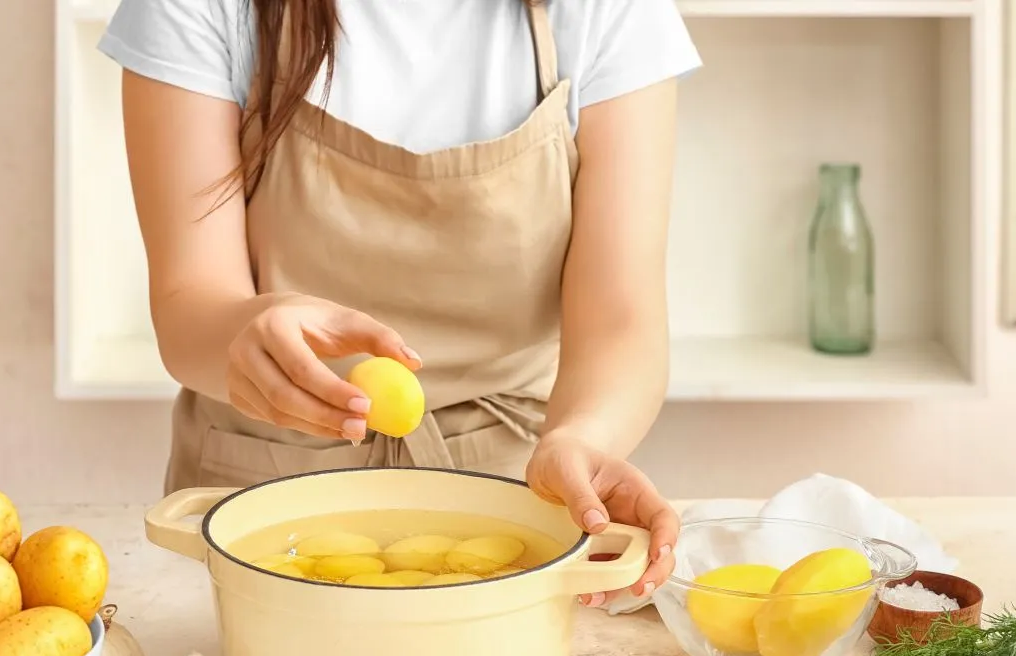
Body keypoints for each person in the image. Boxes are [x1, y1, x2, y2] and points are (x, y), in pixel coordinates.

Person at [99, 0, 700, 606]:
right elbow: (187, 305)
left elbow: (622, 318)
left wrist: (582, 441)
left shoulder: (611, 11)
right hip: (261, 513)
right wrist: (245, 335)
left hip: (522, 507)